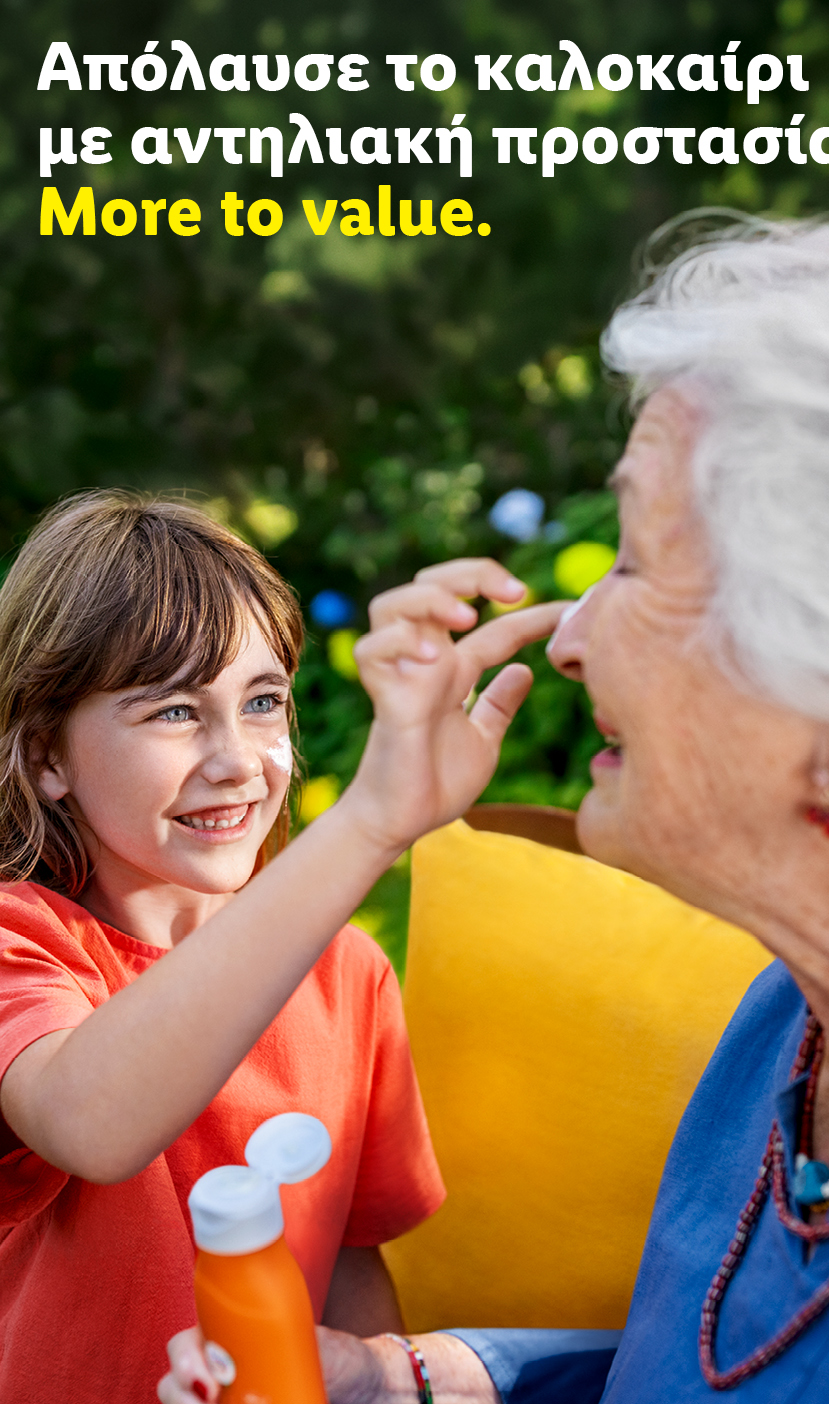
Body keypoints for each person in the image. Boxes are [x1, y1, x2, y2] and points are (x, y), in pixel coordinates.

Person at [160, 210, 829, 1403]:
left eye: (632, 560)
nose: (569, 640)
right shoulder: (791, 1016)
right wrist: (413, 1380)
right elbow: (699, 1370)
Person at [0, 492, 563, 1403]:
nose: (238, 758)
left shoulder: (349, 977)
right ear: (45, 757)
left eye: (263, 701)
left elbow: (347, 1264)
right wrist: (371, 821)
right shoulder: (20, 944)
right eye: (175, 712)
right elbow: (90, 1123)